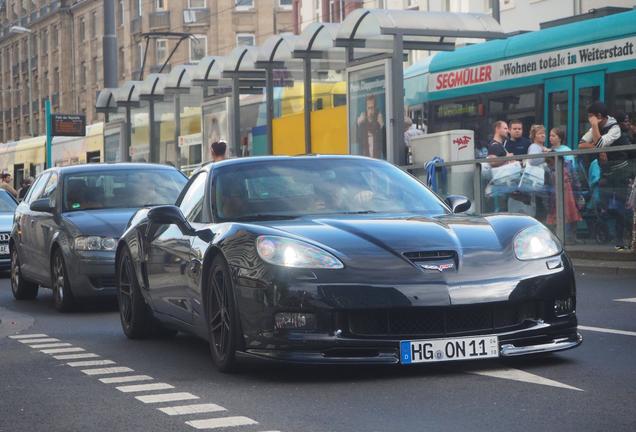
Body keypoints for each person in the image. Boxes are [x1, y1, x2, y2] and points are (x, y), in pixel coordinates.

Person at [579, 102, 632, 249]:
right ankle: (618, 232)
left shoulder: (614, 128)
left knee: (621, 206)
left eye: (591, 117)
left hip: (621, 172)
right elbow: (581, 144)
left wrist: (595, 127)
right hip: (607, 173)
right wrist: (597, 146)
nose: (590, 120)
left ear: (599, 117)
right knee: (605, 205)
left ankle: (621, 240)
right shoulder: (598, 127)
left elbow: (600, 144)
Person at [546, 127, 582, 240]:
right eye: (550, 135)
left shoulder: (566, 150)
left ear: (560, 138)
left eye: (553, 136)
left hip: (567, 187)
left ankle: (570, 236)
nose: (550, 138)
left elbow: (571, 170)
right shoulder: (548, 151)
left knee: (570, 211)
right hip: (554, 187)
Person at [356, 95, 385, 159]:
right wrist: (358, 124)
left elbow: (385, 143)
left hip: (378, 160)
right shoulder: (362, 122)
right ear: (366, 108)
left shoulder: (379, 121)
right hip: (365, 160)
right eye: (369, 108)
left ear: (375, 108)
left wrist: (382, 125)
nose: (370, 111)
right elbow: (355, 140)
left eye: (372, 108)